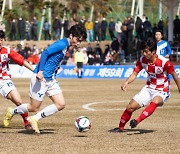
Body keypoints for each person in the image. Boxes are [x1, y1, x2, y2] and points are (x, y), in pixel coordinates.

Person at [4, 25, 87, 134]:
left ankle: (35, 119)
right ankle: (12, 111)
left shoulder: (66, 45)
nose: (78, 43)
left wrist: (56, 67)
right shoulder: (63, 43)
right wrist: (41, 71)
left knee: (60, 104)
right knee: (33, 107)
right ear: (71, 36)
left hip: (50, 78)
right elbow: (45, 53)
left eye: (80, 41)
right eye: (78, 40)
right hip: (41, 77)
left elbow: (53, 59)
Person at [109, 39, 180, 133]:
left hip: (162, 90)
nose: (144, 54)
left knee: (154, 101)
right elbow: (134, 74)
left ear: (153, 51)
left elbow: (174, 75)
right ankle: (120, 127)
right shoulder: (142, 60)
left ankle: (137, 121)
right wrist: (126, 82)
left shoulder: (164, 62)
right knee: (130, 107)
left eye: (146, 52)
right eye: (143, 51)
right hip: (149, 88)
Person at [0, 30, 34, 129]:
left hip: (5, 80)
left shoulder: (7, 51)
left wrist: (34, 70)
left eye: (1, 39)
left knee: (18, 101)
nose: (0, 42)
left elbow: (21, 60)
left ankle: (26, 122)